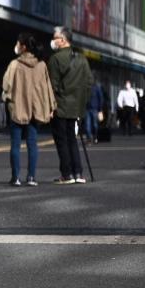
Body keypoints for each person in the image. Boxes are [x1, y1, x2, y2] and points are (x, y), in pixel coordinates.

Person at [2, 33, 55, 186]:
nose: (17, 46)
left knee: (16, 144)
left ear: (23, 46)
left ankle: (15, 177)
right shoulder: (41, 65)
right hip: (36, 109)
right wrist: (51, 106)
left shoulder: (15, 64)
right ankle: (31, 177)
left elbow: (6, 85)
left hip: (17, 108)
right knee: (32, 143)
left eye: (18, 43)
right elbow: (47, 88)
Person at [47, 26, 93, 185]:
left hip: (60, 105)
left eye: (55, 38)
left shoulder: (55, 59)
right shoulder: (81, 58)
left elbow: (52, 86)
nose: (53, 41)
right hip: (76, 106)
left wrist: (50, 106)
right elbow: (89, 83)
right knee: (72, 139)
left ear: (63, 40)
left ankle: (66, 174)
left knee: (62, 141)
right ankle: (78, 172)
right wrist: (82, 102)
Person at [85, 79, 104, 143]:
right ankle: (89, 139)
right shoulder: (85, 88)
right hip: (87, 109)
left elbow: (101, 98)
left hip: (95, 109)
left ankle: (95, 137)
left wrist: (100, 109)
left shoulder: (96, 88)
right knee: (88, 125)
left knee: (95, 125)